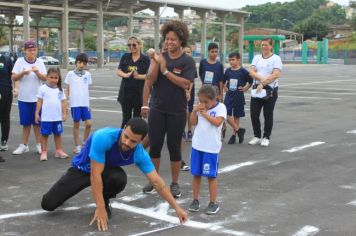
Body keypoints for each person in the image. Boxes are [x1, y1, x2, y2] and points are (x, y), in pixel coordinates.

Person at [41, 118, 188, 232]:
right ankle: (82, 197)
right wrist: (98, 207)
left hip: (106, 172)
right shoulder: (103, 137)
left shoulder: (139, 154)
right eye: (126, 136)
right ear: (123, 129)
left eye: (133, 141)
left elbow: (157, 182)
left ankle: (105, 199)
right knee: (48, 204)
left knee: (119, 179)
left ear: (141, 141)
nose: (126, 142)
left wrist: (176, 208)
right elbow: (94, 175)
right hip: (83, 169)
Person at [141, 20, 196, 197]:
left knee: (174, 147)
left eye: (173, 39)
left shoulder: (187, 61)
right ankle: (154, 181)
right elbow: (150, 80)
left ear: (181, 41)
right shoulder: (160, 56)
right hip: (157, 108)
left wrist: (166, 71)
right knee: (155, 146)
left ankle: (174, 183)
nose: (169, 42)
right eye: (167, 39)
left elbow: (186, 83)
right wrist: (155, 62)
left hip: (177, 110)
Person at [188, 85, 226, 215]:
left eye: (206, 102)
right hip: (197, 145)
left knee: (211, 176)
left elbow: (217, 122)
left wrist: (205, 113)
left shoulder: (221, 108)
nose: (203, 104)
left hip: (211, 148)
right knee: (196, 174)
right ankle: (195, 200)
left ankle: (213, 202)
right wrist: (194, 111)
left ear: (214, 99)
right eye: (200, 101)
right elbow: (193, 123)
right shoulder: (199, 107)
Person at [12, 40, 47, 155]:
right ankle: (24, 145)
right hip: (24, 98)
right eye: (29, 50)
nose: (32, 52)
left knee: (37, 123)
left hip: (37, 98)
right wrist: (23, 73)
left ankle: (39, 145)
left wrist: (37, 72)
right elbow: (14, 77)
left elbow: (45, 78)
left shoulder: (40, 62)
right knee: (26, 123)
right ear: (25, 51)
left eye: (33, 50)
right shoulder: (19, 61)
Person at [248, 38, 282, 147]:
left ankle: (266, 137)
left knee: (267, 115)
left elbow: (276, 74)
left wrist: (263, 83)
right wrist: (261, 79)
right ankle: (257, 136)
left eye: (266, 45)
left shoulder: (276, 58)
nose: (264, 47)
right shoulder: (257, 58)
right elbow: (251, 71)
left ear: (271, 46)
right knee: (254, 114)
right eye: (262, 45)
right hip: (257, 90)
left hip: (270, 90)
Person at [117, 36, 150, 128]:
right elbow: (118, 70)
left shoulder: (145, 59)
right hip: (126, 92)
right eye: (129, 45)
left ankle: (135, 139)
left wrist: (139, 76)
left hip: (139, 93)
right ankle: (122, 138)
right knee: (126, 118)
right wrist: (125, 75)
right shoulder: (125, 57)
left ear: (140, 45)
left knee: (137, 119)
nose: (131, 47)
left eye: (134, 45)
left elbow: (150, 76)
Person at [35, 68, 68, 161]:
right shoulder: (42, 88)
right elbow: (39, 101)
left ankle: (59, 150)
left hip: (57, 118)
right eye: (51, 77)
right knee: (44, 135)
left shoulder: (60, 90)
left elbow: (63, 102)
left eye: (56, 78)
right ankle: (44, 151)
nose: (53, 79)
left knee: (58, 134)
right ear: (47, 77)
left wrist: (64, 113)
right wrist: (37, 113)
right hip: (46, 118)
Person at [64, 53, 92, 154]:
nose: (82, 65)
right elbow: (68, 89)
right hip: (75, 103)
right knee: (76, 124)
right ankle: (77, 146)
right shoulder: (70, 74)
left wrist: (89, 104)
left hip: (85, 103)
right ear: (76, 62)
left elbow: (86, 89)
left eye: (84, 63)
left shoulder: (87, 75)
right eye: (80, 62)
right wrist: (66, 102)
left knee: (88, 124)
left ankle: (84, 143)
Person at [222, 52, 252, 144]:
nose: (231, 62)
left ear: (238, 60)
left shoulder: (243, 71)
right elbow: (223, 81)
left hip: (238, 95)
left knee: (236, 116)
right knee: (226, 115)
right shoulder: (228, 71)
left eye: (233, 59)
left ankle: (234, 135)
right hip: (229, 96)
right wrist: (224, 87)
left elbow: (250, 81)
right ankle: (239, 130)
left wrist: (245, 88)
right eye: (230, 60)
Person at [0, 53, 14, 161]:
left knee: (5, 117)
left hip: (6, 93)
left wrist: (15, 87)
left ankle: (4, 140)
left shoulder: (6, 59)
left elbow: (12, 75)